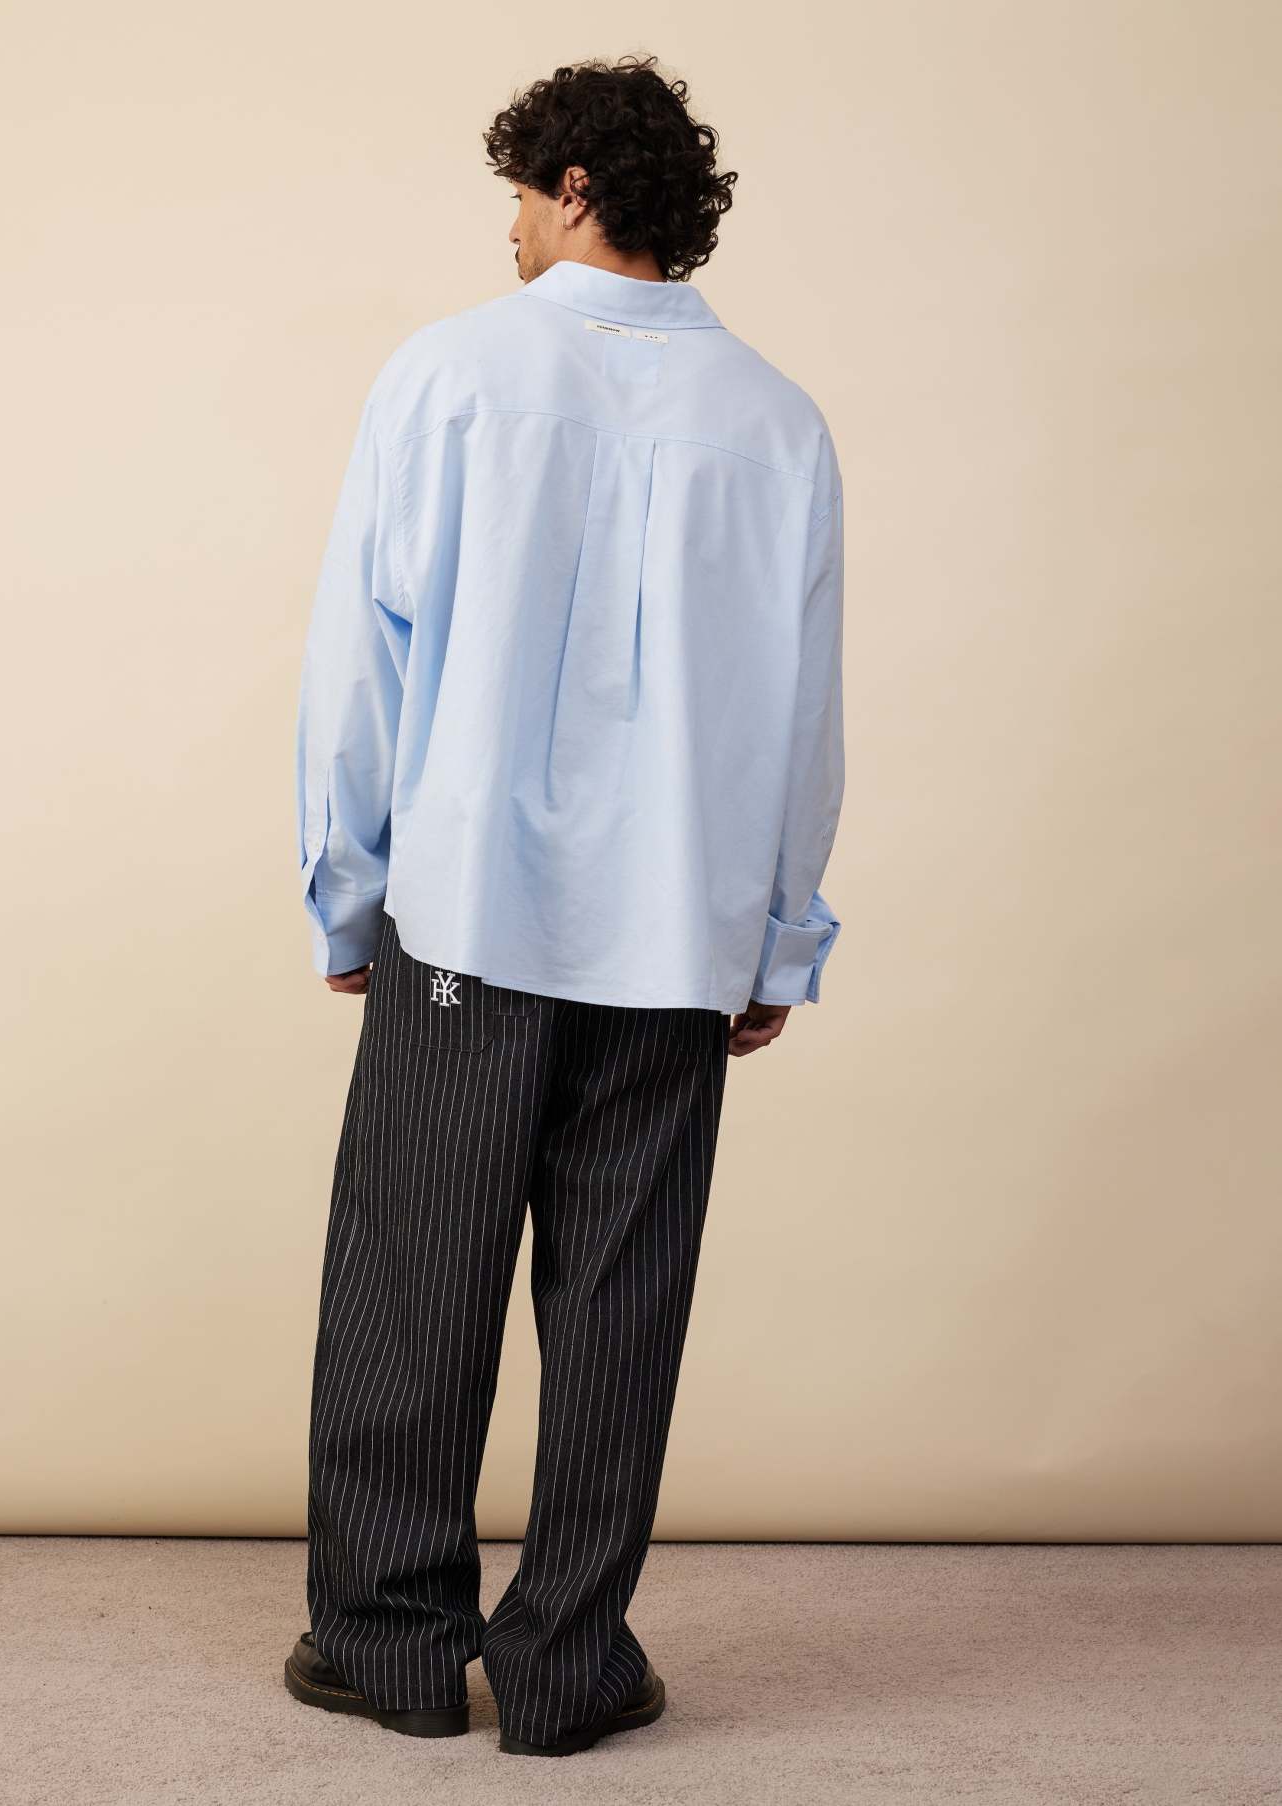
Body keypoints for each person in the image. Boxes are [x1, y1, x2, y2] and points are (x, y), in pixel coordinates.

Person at [283, 53, 845, 1758]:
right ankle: (567, 1664)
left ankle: (387, 1646)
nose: (514, 227)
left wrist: (346, 889)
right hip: (677, 934)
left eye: (524, 195)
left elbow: (360, 657)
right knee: (621, 1304)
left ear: (578, 186)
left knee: (412, 1278)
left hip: (465, 916)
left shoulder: (449, 373)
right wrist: (777, 935)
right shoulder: (777, 421)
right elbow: (801, 715)